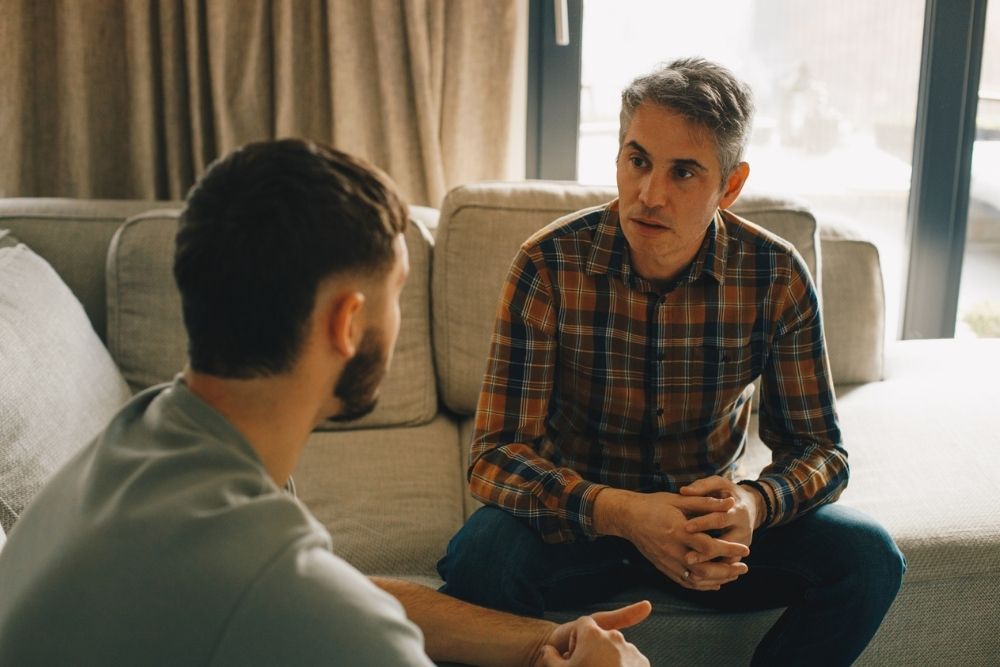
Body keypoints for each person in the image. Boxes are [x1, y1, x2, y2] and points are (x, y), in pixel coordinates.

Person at [0, 139, 650, 667]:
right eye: (396, 291)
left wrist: (541, 639)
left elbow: (341, 592)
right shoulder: (288, 596)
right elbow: (317, 603)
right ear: (347, 321)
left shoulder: (143, 441)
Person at [437, 58, 906, 665]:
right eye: (638, 161)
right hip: (582, 521)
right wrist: (624, 513)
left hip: (707, 535)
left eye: (683, 172)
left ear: (730, 186)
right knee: (481, 556)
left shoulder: (776, 275)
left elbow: (822, 453)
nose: (649, 195)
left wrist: (753, 505)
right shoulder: (548, 264)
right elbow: (495, 457)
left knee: (868, 559)